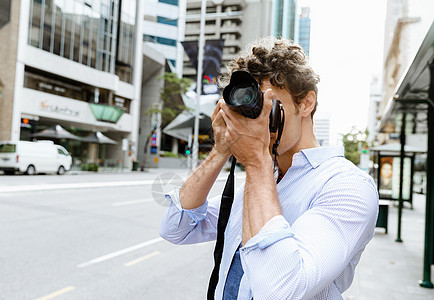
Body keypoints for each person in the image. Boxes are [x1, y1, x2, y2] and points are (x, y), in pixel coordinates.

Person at [159, 37, 378, 299]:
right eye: (252, 110)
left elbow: (282, 289)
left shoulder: (345, 185)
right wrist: (221, 149)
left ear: (306, 103)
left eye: (269, 105)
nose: (259, 121)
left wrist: (256, 160)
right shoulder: (262, 181)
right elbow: (177, 227)